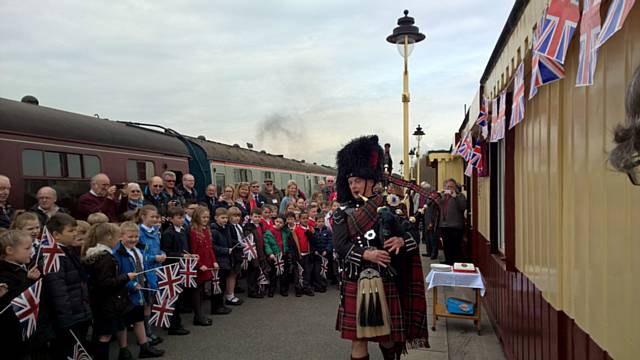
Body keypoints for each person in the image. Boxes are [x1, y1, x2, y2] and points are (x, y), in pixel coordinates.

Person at [333, 135, 428, 360]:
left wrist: (402, 241)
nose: (353, 186)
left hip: (386, 279)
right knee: (358, 340)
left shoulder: (389, 208)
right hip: (356, 280)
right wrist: (368, 254)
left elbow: (413, 232)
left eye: (357, 180)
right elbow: (340, 246)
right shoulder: (342, 213)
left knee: (388, 338)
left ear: (370, 180)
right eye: (350, 182)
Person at [81, 223, 136, 360]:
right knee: (105, 335)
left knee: (101, 333)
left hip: (100, 300)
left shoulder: (97, 254)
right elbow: (105, 283)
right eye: (118, 237)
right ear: (110, 237)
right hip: (106, 302)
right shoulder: (105, 258)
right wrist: (125, 277)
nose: (118, 240)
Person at [42, 213, 93, 359]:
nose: (75, 234)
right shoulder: (54, 257)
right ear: (56, 235)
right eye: (70, 231)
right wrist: (66, 319)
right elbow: (58, 291)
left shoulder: (67, 250)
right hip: (69, 317)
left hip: (78, 311)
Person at [113, 221, 165, 358]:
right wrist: (130, 284)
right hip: (125, 294)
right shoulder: (117, 253)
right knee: (123, 324)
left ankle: (144, 347)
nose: (133, 239)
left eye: (136, 236)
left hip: (140, 291)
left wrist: (155, 259)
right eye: (130, 237)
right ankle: (123, 351)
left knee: (139, 319)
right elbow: (117, 274)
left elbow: (145, 262)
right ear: (121, 236)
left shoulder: (138, 250)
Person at [0, 230, 42, 360]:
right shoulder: (3, 273)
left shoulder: (23, 268)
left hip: (28, 334)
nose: (31, 251)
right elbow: (14, 302)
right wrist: (29, 281)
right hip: (11, 335)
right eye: (27, 248)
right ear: (10, 250)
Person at [137, 205, 166, 346]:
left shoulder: (155, 231)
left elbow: (158, 248)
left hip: (156, 269)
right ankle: (146, 332)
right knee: (146, 302)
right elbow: (139, 255)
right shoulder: (139, 233)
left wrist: (162, 254)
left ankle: (148, 330)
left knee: (151, 300)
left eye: (156, 217)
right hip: (144, 271)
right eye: (152, 217)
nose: (155, 219)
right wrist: (153, 258)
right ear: (143, 217)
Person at [160, 206, 191, 335]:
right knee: (173, 297)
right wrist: (181, 256)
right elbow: (166, 252)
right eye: (179, 218)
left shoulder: (183, 230)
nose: (182, 220)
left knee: (179, 295)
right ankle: (174, 325)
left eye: (183, 217)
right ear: (171, 219)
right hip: (172, 268)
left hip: (182, 266)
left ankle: (174, 321)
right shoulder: (168, 233)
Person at [189, 205, 219, 325]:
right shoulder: (193, 231)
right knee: (197, 290)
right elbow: (193, 251)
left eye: (207, 217)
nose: (206, 219)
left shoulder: (206, 229)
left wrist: (214, 261)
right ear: (197, 217)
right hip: (199, 264)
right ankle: (198, 315)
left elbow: (209, 248)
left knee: (202, 290)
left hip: (207, 262)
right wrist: (198, 264)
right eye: (203, 217)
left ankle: (201, 314)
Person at [210, 207, 234, 315]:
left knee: (223, 284)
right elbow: (212, 246)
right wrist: (225, 250)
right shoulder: (214, 230)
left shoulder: (226, 228)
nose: (225, 220)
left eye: (226, 218)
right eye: (222, 217)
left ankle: (221, 304)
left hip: (226, 260)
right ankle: (216, 307)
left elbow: (229, 241)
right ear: (216, 218)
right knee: (217, 285)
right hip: (218, 260)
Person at [438, 179, 467, 265]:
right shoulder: (443, 197)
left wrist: (455, 197)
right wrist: (438, 196)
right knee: (446, 246)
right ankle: (448, 262)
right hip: (444, 225)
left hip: (455, 226)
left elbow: (463, 206)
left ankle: (455, 264)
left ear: (455, 187)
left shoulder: (460, 195)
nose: (449, 188)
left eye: (451, 187)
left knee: (455, 247)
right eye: (447, 187)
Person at [263, 215, 291, 297]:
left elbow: (289, 233)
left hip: (283, 255)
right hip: (274, 256)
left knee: (284, 274)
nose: (278, 224)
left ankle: (283, 289)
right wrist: (270, 253)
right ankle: (272, 289)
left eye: (281, 222)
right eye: (277, 222)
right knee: (273, 274)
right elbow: (266, 244)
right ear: (274, 222)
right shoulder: (269, 232)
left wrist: (285, 226)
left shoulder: (285, 231)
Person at [244, 208, 268, 298]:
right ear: (251, 217)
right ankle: (252, 291)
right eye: (255, 216)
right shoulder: (248, 227)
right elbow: (249, 241)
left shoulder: (261, 225)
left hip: (261, 252)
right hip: (254, 253)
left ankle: (259, 288)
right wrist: (253, 253)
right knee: (252, 272)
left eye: (259, 216)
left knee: (259, 271)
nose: (257, 218)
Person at [224, 207, 245, 306]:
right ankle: (229, 296)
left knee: (235, 274)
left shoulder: (239, 226)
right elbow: (230, 240)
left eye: (238, 216)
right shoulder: (229, 227)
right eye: (234, 216)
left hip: (239, 252)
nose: (236, 218)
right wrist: (239, 243)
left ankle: (232, 293)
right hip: (233, 253)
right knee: (231, 275)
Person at [293, 212, 315, 297]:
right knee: (298, 272)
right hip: (300, 253)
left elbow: (313, 241)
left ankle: (306, 287)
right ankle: (298, 288)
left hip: (308, 253)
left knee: (307, 272)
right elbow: (296, 242)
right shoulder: (296, 229)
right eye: (303, 218)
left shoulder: (311, 228)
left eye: (307, 218)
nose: (305, 220)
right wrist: (298, 253)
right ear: (299, 219)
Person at [313, 215, 333, 288]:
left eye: (322, 221)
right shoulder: (314, 231)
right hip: (317, 254)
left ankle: (323, 285)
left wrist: (327, 250)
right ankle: (317, 285)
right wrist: (314, 250)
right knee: (316, 270)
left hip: (325, 254)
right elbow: (313, 242)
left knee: (324, 270)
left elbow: (330, 242)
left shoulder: (328, 231)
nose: (321, 223)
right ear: (316, 222)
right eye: (319, 221)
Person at [424, 192, 441, 259]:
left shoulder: (435, 204)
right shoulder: (429, 202)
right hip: (427, 221)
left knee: (433, 239)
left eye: (432, 196)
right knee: (427, 239)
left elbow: (434, 215)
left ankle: (434, 254)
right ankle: (429, 252)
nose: (430, 197)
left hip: (432, 223)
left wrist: (431, 223)